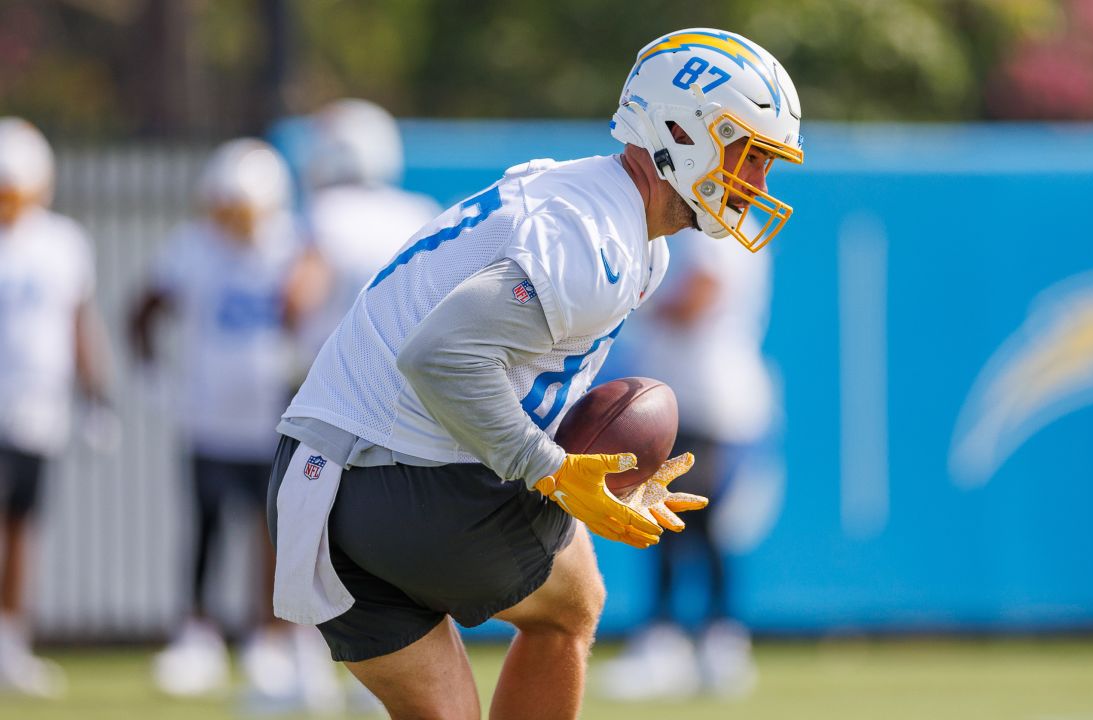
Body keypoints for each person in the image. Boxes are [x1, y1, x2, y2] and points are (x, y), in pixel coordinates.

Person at [267, 27, 804, 719]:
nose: (756, 182)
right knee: (573, 601)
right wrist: (551, 469)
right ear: (681, 129)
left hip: (307, 489)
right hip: (407, 486)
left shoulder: (581, 199)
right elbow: (441, 357)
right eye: (749, 154)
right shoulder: (599, 239)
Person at [130, 139, 335, 712]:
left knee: (273, 532)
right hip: (207, 416)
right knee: (206, 527)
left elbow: (313, 306)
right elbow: (142, 311)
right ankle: (195, 635)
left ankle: (266, 637)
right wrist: (153, 380)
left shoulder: (294, 243)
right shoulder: (191, 247)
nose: (234, 221)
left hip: (274, 418)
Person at [599, 225, 777, 700]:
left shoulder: (714, 232)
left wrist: (633, 302)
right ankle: (709, 641)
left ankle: (673, 641)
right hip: (703, 397)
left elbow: (700, 296)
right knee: (693, 523)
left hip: (700, 400)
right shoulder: (732, 230)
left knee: (675, 519)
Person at [0, 117, 112, 699]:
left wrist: (97, 398)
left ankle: (11, 643)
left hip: (37, 410)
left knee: (22, 528)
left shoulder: (62, 241)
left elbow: (78, 324)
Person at [283, 98, 442, 364]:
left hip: (338, 378)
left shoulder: (327, 212)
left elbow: (299, 300)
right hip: (407, 376)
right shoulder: (420, 212)